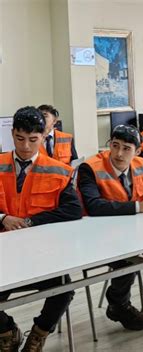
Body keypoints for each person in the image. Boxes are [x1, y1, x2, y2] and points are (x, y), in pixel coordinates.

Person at [77, 125, 143, 331]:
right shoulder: (90, 167)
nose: (118, 153)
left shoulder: (141, 163)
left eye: (126, 148)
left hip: (135, 230)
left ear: (137, 151)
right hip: (101, 236)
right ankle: (118, 303)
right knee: (129, 253)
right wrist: (138, 207)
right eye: (114, 146)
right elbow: (93, 205)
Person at [0, 106, 82, 351]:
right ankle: (7, 331)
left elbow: (73, 210)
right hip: (5, 254)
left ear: (44, 137)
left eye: (33, 140)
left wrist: (31, 222)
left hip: (43, 253)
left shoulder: (59, 171)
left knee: (64, 289)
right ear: (12, 134)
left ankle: (39, 333)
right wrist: (3, 217)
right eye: (20, 139)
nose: (26, 146)